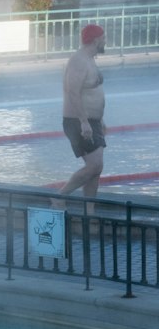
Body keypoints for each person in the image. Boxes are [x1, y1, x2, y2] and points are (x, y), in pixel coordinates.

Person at [58, 23, 107, 200]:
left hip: (91, 121)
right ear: (95, 40)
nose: (105, 42)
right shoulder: (78, 60)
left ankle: (90, 212)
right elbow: (73, 91)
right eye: (103, 38)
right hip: (77, 121)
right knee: (94, 166)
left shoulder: (89, 59)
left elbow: (91, 93)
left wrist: (99, 120)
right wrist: (84, 121)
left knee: (97, 168)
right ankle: (60, 197)